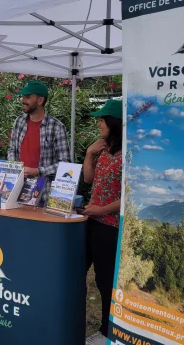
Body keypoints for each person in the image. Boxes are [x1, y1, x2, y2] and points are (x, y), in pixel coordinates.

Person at [82, 99, 123, 342]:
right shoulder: (103, 149)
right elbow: (88, 179)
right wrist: (89, 153)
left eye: (102, 119)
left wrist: (102, 209)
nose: (98, 122)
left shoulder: (128, 154)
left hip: (112, 226)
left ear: (114, 123)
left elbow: (129, 197)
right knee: (89, 274)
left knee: (106, 279)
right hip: (93, 221)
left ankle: (107, 331)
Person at [8, 80, 70, 199]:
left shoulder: (56, 127)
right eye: (23, 97)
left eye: (27, 97)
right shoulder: (19, 121)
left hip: (43, 194)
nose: (23, 100)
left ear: (40, 100)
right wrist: (15, 167)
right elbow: (12, 150)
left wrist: (37, 171)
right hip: (17, 189)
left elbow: (66, 164)